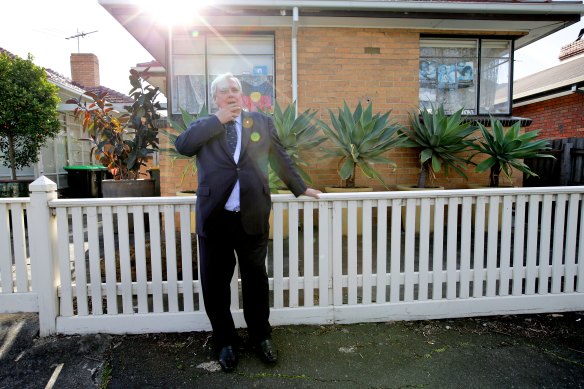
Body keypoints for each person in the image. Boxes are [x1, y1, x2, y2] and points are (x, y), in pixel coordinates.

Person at [175, 73, 321, 372]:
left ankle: (261, 336)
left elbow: (280, 158)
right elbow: (183, 146)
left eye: (235, 89)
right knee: (215, 284)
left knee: (255, 280)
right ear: (215, 97)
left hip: (252, 215)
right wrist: (217, 120)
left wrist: (300, 187)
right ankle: (225, 341)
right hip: (215, 218)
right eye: (224, 91)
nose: (231, 94)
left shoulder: (261, 123)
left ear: (242, 95)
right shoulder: (205, 126)